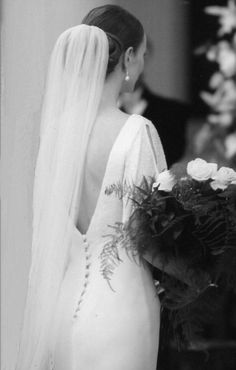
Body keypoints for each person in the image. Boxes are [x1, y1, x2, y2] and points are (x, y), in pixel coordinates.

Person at [15, 5, 167, 370]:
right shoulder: (136, 132)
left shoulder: (54, 137)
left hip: (63, 313)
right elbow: (152, 239)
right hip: (122, 313)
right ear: (128, 58)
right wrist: (200, 269)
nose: (143, 63)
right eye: (143, 54)